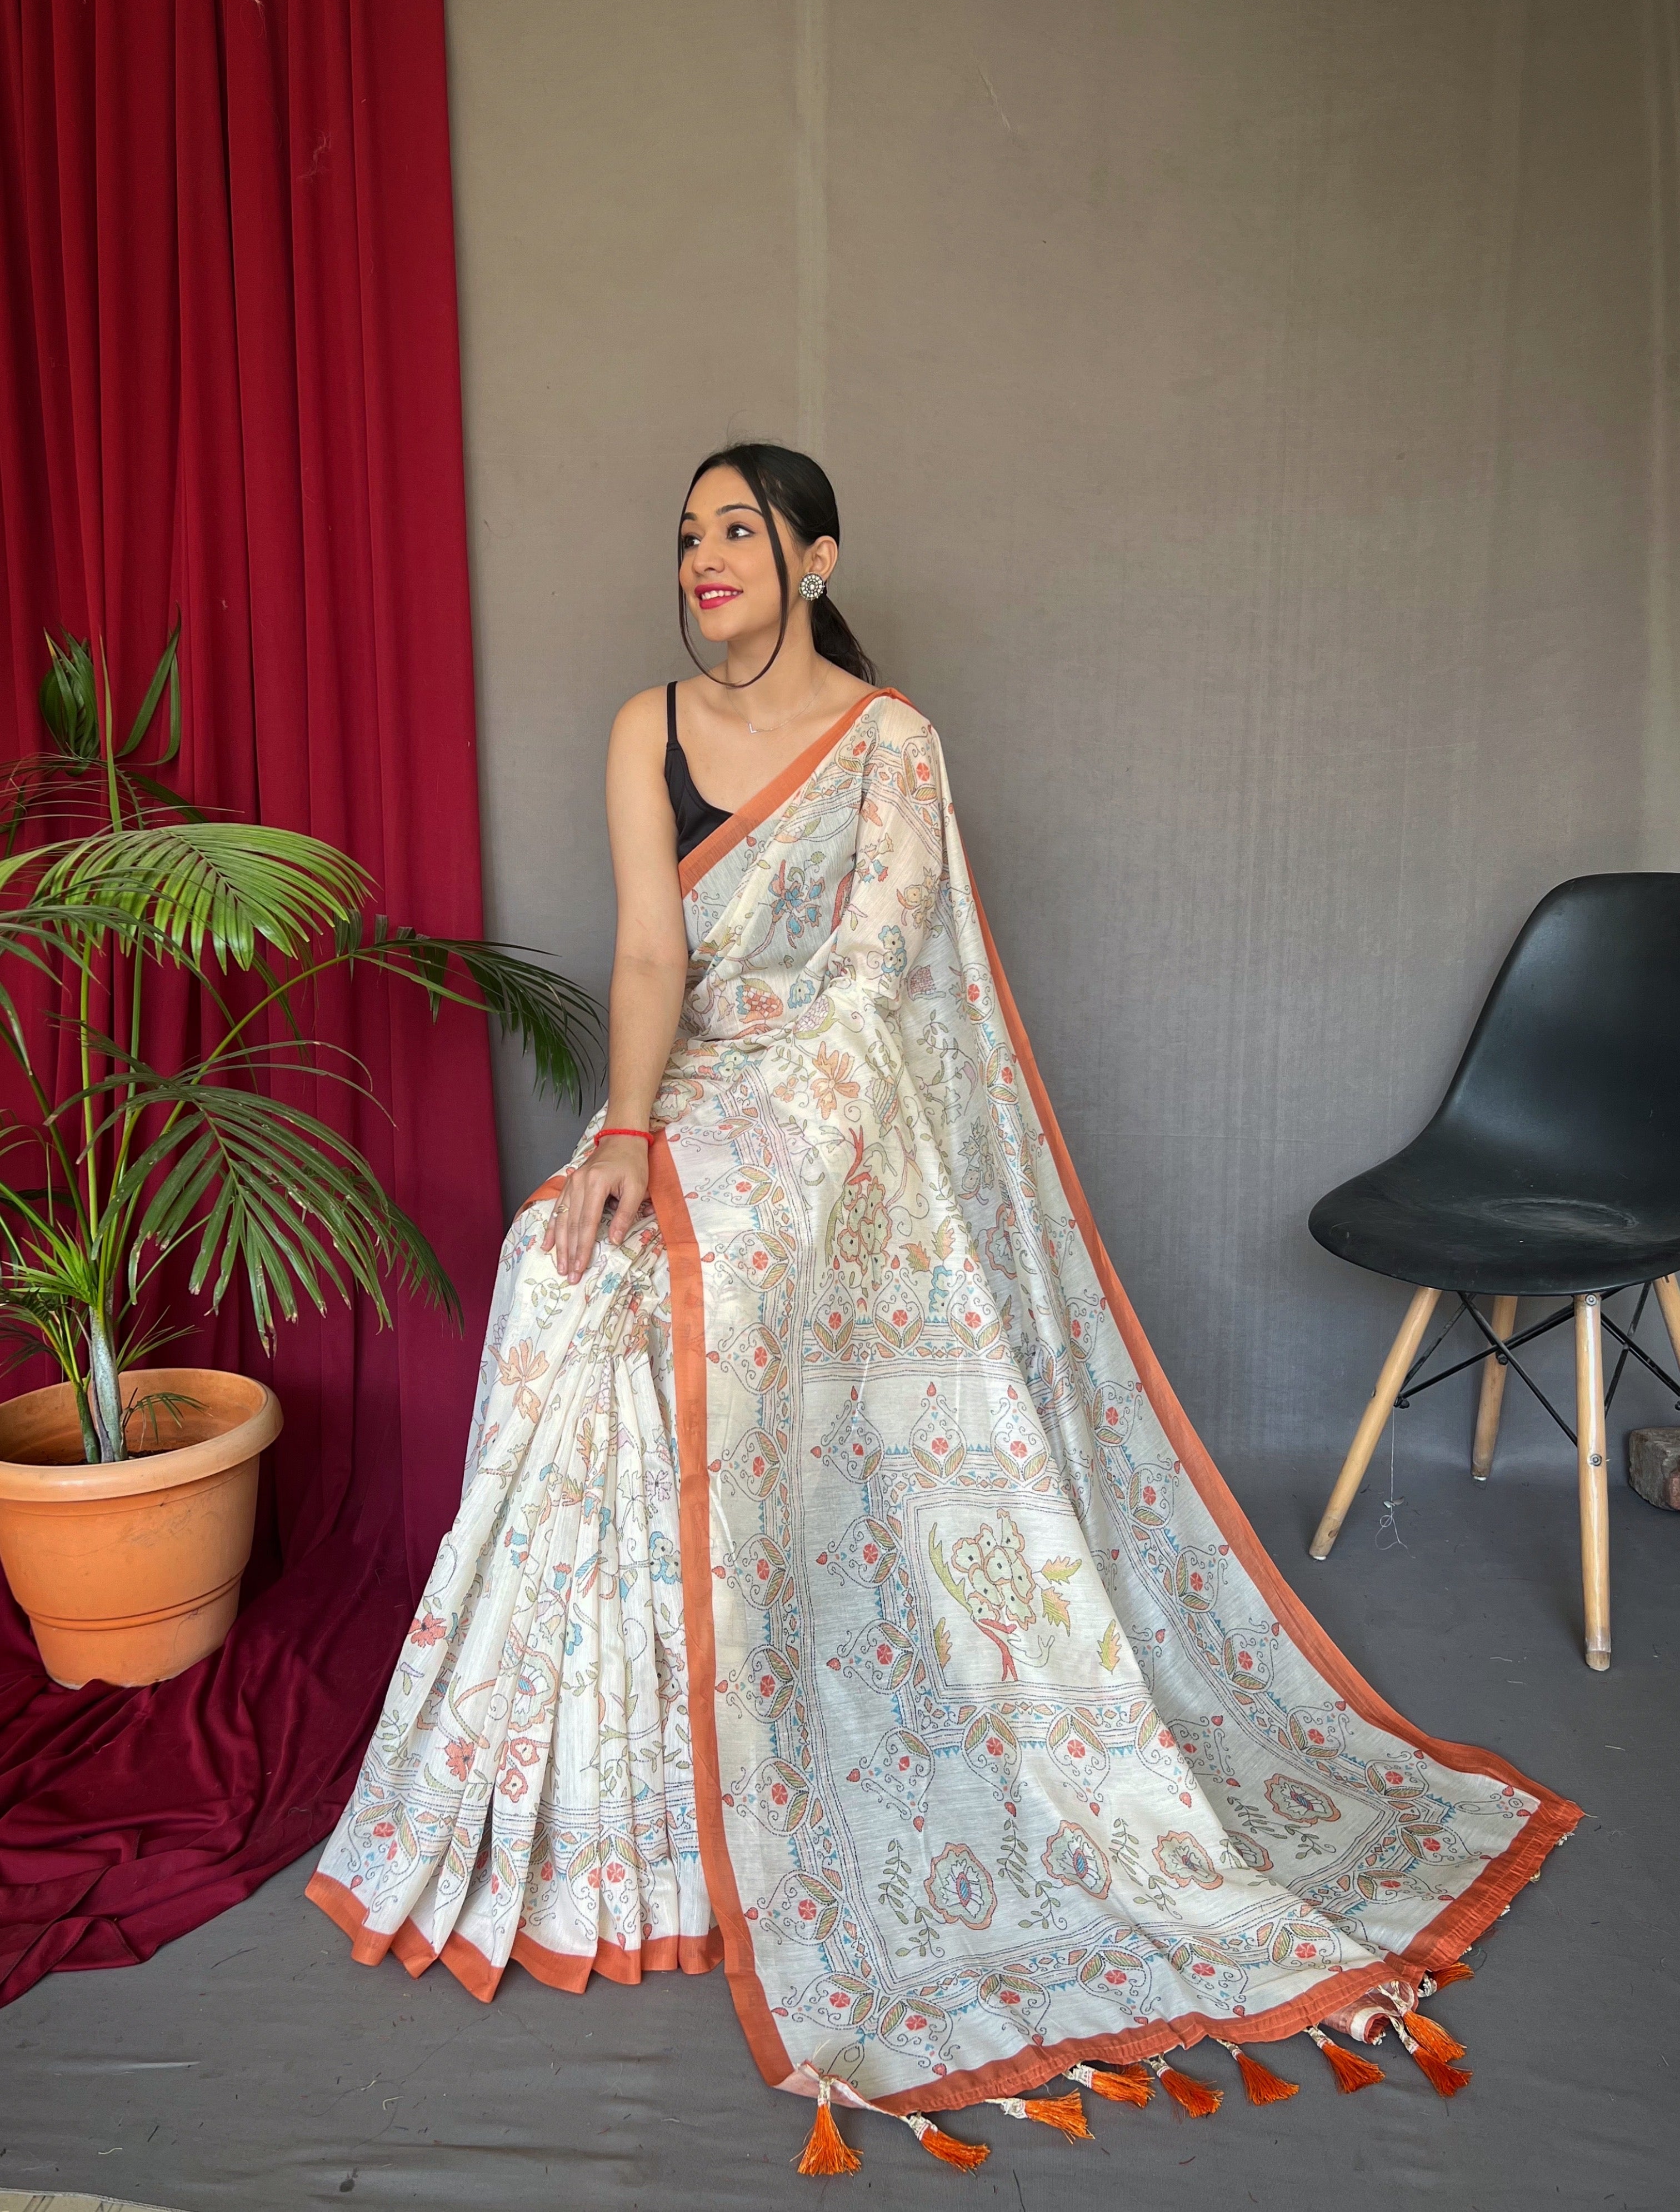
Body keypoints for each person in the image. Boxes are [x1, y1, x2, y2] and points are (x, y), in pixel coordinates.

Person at [309, 443, 1577, 2170]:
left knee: (717, 1269)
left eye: (737, 531)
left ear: (815, 559)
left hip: (847, 1119)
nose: (703, 558)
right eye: (687, 535)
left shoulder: (891, 744)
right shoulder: (643, 728)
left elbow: (866, 992)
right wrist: (627, 1138)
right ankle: (632, 1818)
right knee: (565, 1270)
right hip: (696, 1093)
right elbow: (652, 960)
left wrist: (733, 1179)